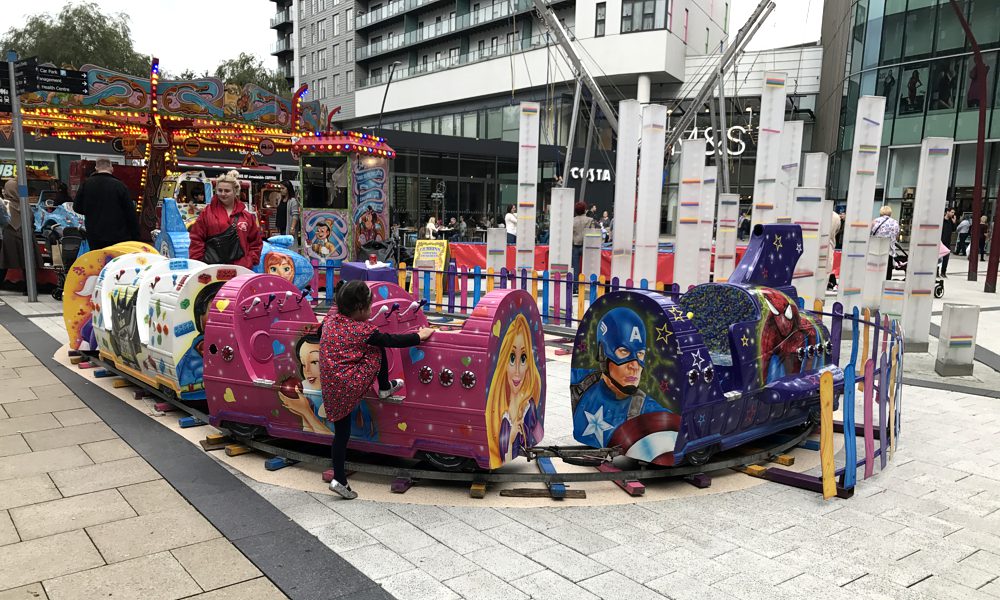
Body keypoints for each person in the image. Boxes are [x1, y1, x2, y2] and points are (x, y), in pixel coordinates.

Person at [319, 280, 435, 499]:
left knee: (340, 435)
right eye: (370, 307)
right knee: (377, 348)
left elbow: (319, 332)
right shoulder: (364, 331)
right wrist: (420, 336)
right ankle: (384, 387)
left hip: (331, 385)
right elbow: (392, 340)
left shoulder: (330, 321)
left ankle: (339, 480)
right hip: (349, 384)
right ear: (361, 308)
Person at [572, 307, 671, 448]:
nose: (635, 366)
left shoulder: (653, 414)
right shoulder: (580, 384)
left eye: (640, 354)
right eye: (624, 352)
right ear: (602, 354)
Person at [485, 314, 543, 468]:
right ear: (503, 360)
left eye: (523, 359)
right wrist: (510, 439)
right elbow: (500, 452)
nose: (517, 371)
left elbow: (537, 434)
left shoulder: (528, 407)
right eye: (512, 358)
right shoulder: (501, 415)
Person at [188, 170, 263, 269]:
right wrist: (199, 263)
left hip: (240, 269)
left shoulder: (246, 216)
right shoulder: (206, 214)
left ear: (235, 192)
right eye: (220, 190)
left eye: (227, 191)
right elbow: (196, 239)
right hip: (212, 270)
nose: (223, 194)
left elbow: (255, 242)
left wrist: (249, 260)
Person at [73, 158, 139, 250]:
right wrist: (136, 236)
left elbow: (76, 207)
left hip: (94, 234)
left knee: (98, 261)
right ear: (111, 168)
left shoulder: (86, 184)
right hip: (118, 235)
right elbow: (130, 213)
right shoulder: (119, 186)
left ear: (96, 168)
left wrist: (91, 211)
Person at [0, 180, 42, 292]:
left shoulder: (5, 204)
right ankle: (30, 288)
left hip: (9, 236)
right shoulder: (25, 204)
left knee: (4, 262)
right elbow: (32, 220)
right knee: (26, 263)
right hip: (26, 235)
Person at [871, 206, 900, 280]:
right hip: (889, 250)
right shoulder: (895, 222)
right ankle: (886, 284)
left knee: (876, 269)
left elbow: (871, 234)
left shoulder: (875, 221)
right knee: (888, 270)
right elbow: (897, 236)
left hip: (876, 249)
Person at [572, 201, 594, 278]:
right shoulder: (590, 220)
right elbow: (593, 233)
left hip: (575, 245)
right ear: (585, 210)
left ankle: (574, 288)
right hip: (586, 246)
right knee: (588, 267)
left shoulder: (572, 220)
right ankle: (587, 286)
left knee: (575, 268)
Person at [941, 207, 957, 277]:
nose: (953, 214)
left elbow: (954, 230)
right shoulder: (942, 220)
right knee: (938, 258)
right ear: (947, 212)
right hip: (940, 241)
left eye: (953, 213)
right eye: (952, 212)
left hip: (947, 241)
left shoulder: (951, 221)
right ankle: (936, 271)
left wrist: (954, 223)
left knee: (946, 258)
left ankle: (943, 271)